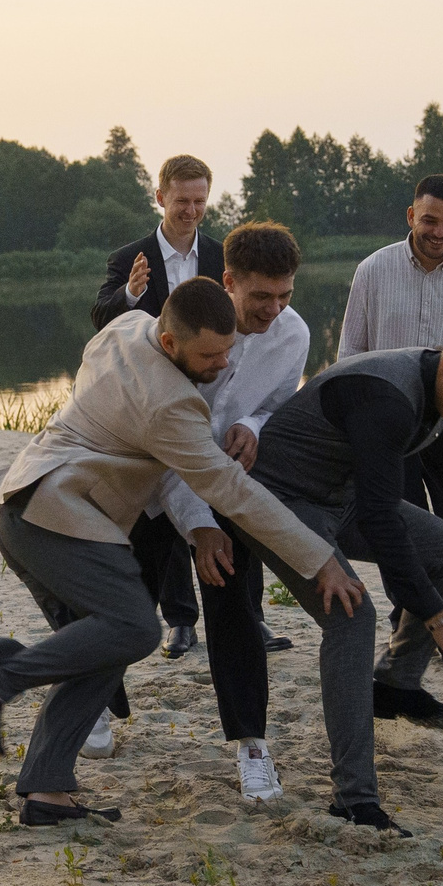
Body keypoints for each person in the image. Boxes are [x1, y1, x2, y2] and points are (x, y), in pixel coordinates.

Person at [0, 277, 363, 827]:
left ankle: (47, 794)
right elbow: (234, 492)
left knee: (105, 644)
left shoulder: (126, 327)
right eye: (210, 355)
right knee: (137, 630)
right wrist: (322, 559)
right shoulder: (171, 405)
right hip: (52, 520)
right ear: (170, 345)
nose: (223, 366)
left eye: (228, 350)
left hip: (26, 503)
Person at [217, 328, 443, 837]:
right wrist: (440, 618)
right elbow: (383, 520)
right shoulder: (387, 398)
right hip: (281, 501)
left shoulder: (438, 394)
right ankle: (354, 800)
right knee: (353, 616)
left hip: (341, 496)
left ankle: (395, 684)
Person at [113, 220, 311, 799]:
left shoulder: (292, 333)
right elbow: (165, 442)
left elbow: (282, 402)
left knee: (236, 609)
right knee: (126, 601)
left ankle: (252, 745)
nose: (275, 309)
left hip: (230, 481)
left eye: (285, 295)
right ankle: (97, 705)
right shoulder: (177, 334)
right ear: (227, 282)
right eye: (261, 297)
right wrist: (197, 526)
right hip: (154, 479)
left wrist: (254, 424)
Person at [338, 173, 443, 630]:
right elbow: (349, 355)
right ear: (412, 215)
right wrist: (353, 434)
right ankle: (408, 624)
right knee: (399, 533)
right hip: (391, 433)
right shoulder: (372, 271)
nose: (439, 232)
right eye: (430, 220)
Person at [91, 153, 224, 656]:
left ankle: (238, 619)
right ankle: (179, 621)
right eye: (181, 200)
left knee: (211, 500)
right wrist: (130, 293)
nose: (191, 210)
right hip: (145, 402)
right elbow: (100, 317)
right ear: (160, 197)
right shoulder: (131, 257)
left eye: (199, 201)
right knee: (158, 512)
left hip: (208, 395)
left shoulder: (219, 255)